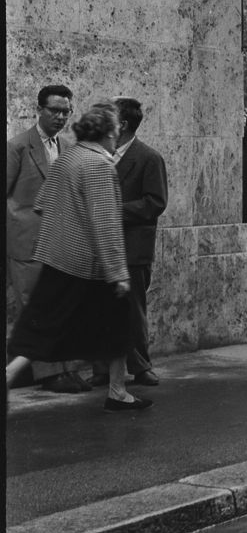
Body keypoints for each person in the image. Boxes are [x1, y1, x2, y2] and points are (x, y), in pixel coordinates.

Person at [6, 103, 152, 412]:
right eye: (115, 132)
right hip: (88, 265)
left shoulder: (68, 157)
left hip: (56, 257)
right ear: (109, 133)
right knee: (120, 326)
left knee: (42, 326)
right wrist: (118, 272)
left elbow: (41, 203)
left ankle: (116, 390)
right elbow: (106, 222)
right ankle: (117, 392)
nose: (117, 137)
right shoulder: (99, 165)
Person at [6, 84, 89, 393]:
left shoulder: (68, 147)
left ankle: (67, 369)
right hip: (26, 244)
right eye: (54, 110)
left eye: (66, 111)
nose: (60, 117)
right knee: (34, 309)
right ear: (37, 110)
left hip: (60, 243)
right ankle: (49, 374)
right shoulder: (17, 147)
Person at [91, 98, 168, 388]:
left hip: (132, 248)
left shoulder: (149, 157)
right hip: (101, 245)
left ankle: (141, 366)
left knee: (132, 311)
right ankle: (101, 367)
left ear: (122, 124)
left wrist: (113, 208)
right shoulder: (99, 154)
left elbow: (155, 202)